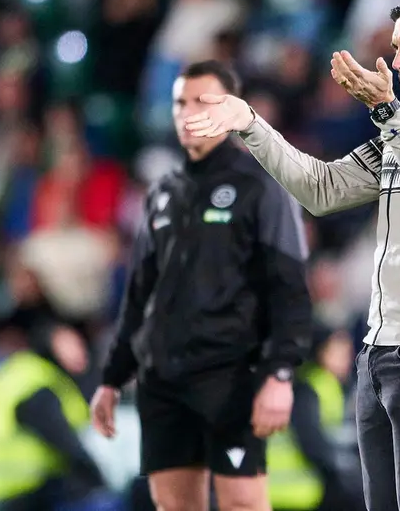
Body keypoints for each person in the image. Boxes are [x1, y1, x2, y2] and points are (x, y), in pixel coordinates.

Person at [183, 0, 400, 510]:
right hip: (379, 350)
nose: (398, 60)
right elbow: (321, 189)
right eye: (395, 46)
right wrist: (251, 124)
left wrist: (390, 114)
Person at [91, 60, 313, 511]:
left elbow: (288, 289)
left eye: (202, 101)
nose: (188, 112)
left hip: (230, 378)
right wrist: (113, 378)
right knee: (174, 506)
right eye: (180, 102)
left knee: (242, 503)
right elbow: (139, 295)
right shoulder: (163, 193)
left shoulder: (262, 187)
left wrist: (280, 374)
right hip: (163, 381)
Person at [0, 322, 116, 511]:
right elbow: (62, 439)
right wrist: (99, 480)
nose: (78, 353)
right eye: (68, 345)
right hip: (28, 489)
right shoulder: (36, 383)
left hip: (9, 488)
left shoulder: (24, 372)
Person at [268, 326, 364, 511]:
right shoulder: (308, 388)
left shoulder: (335, 386)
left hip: (310, 490)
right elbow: (313, 444)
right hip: (294, 493)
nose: (347, 357)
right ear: (321, 352)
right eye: (338, 351)